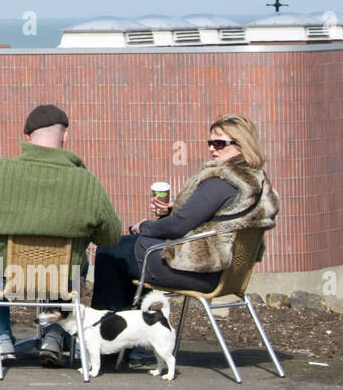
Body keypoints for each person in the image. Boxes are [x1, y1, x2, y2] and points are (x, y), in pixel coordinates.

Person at [0, 104, 121, 366]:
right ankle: (55, 335)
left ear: (27, 137)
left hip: (3, 275)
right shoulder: (86, 181)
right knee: (69, 266)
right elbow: (111, 236)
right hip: (61, 277)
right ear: (65, 137)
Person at [92, 114, 278, 313]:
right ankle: (134, 337)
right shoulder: (256, 181)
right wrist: (172, 211)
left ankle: (106, 331)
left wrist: (144, 226)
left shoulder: (221, 181)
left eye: (219, 143)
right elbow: (216, 219)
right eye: (210, 143)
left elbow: (178, 226)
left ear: (241, 145)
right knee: (129, 249)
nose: (211, 148)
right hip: (228, 273)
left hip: (199, 269)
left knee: (111, 251)